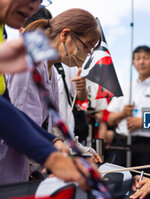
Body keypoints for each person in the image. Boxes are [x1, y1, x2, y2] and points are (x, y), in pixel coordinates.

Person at [0, 0, 94, 188]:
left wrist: (59, 145)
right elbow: (19, 120)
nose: (34, 6)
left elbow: (10, 113)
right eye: (86, 47)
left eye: (41, 1)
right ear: (65, 35)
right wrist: (52, 156)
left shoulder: (46, 68)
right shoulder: (31, 64)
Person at [107, 45, 150, 175]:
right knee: (118, 186)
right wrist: (123, 113)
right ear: (133, 63)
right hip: (121, 146)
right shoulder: (125, 87)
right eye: (138, 58)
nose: (141, 62)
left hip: (148, 149)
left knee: (144, 188)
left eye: (145, 58)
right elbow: (110, 120)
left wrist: (144, 121)